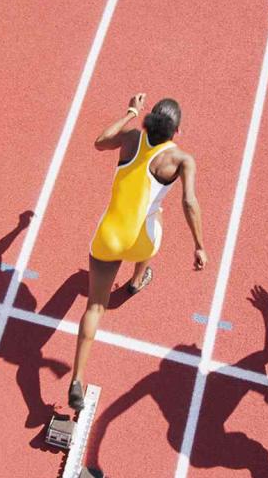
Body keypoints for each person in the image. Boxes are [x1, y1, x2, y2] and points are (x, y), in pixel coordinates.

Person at [64, 94, 207, 411]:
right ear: (177, 131)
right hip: (141, 240)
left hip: (110, 237)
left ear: (150, 120)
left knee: (95, 308)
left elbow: (100, 141)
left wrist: (130, 111)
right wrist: (199, 244)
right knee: (156, 225)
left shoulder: (131, 138)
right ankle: (136, 279)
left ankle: (77, 378)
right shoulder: (182, 160)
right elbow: (189, 203)